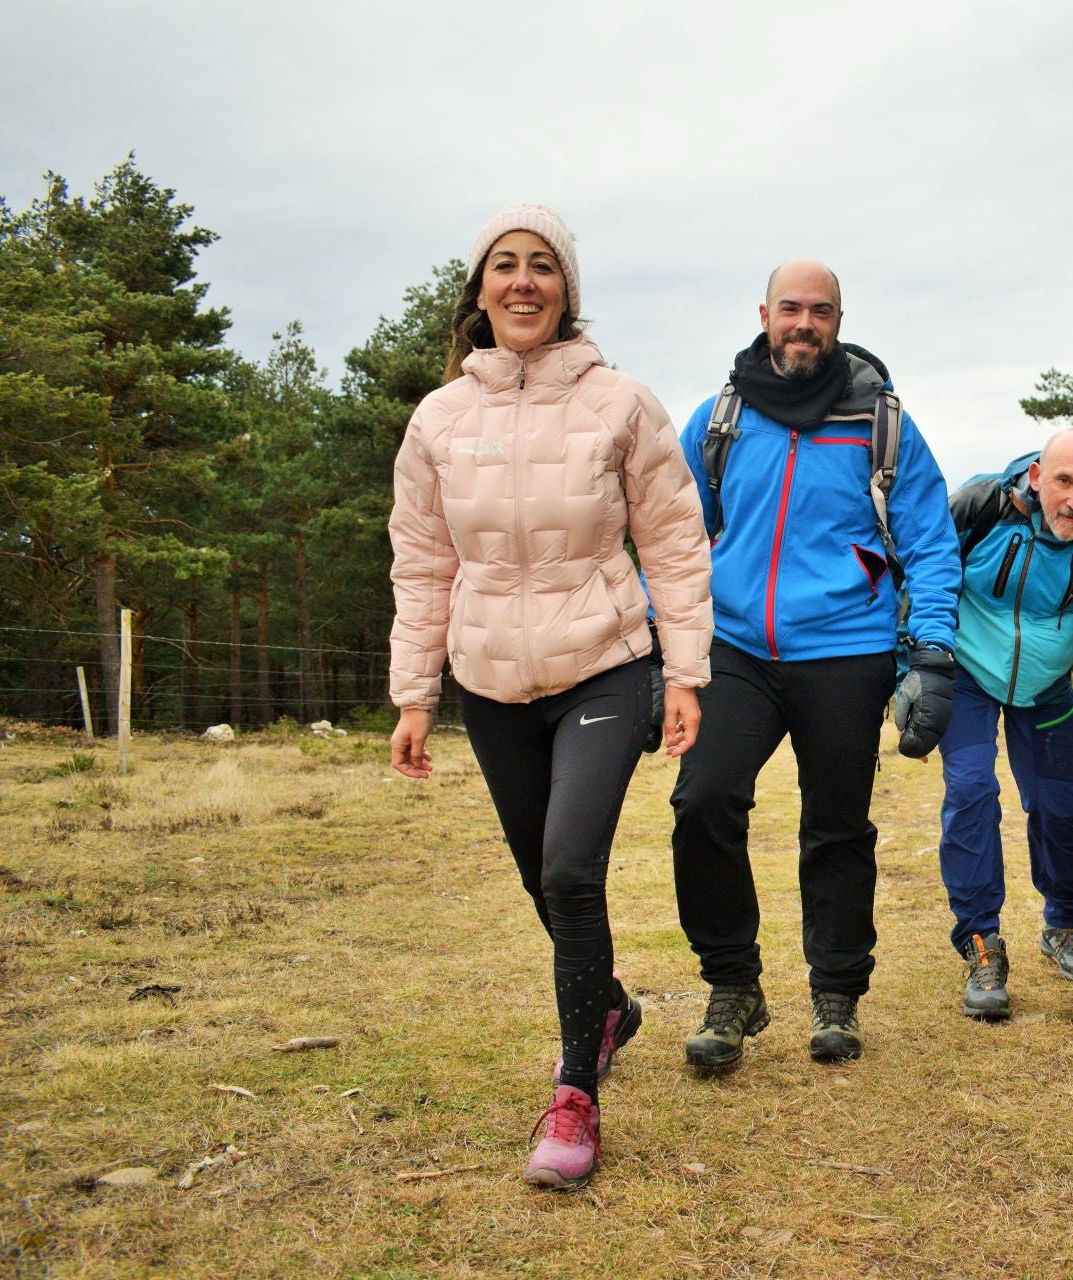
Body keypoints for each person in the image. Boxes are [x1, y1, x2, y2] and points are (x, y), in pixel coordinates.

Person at [387, 203, 712, 1189]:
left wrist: (685, 668)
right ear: (479, 291)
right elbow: (421, 560)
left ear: (566, 291)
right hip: (489, 679)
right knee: (541, 876)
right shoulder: (438, 418)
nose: (522, 282)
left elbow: (671, 538)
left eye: (542, 267)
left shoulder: (621, 402)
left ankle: (577, 1089)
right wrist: (414, 691)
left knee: (572, 871)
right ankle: (607, 1003)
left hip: (605, 661)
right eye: (504, 266)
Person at [670, 258, 960, 1068]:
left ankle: (837, 993)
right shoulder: (719, 418)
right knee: (703, 803)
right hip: (734, 648)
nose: (804, 323)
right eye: (790, 308)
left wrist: (929, 653)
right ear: (763, 314)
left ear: (839, 320)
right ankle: (733, 986)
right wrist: (665, 644)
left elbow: (931, 544)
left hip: (847, 650)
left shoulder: (880, 421)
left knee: (836, 827)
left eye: (820, 311)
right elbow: (674, 536)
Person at [935, 428, 1073, 1019]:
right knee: (972, 789)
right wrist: (911, 668)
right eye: (1063, 482)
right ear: (1036, 475)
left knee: (1061, 808)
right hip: (967, 674)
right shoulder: (977, 508)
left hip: (1047, 685)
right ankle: (981, 941)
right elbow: (919, 581)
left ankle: (1064, 923)